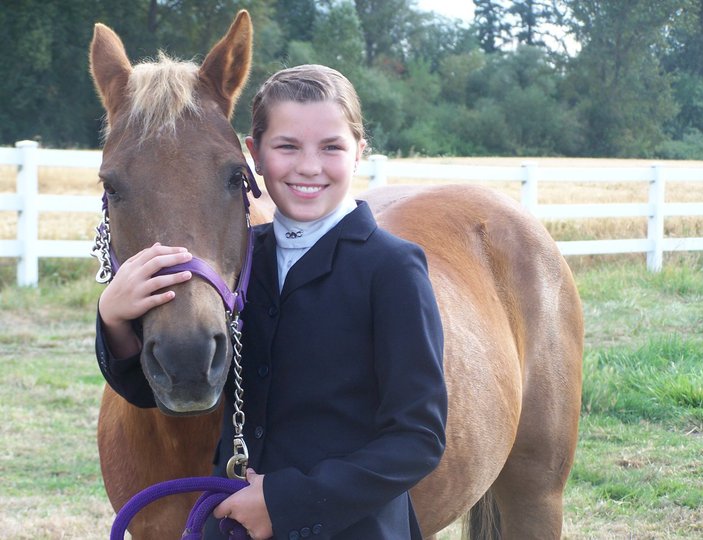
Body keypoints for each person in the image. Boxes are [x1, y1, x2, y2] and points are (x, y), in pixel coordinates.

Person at [96, 64, 447, 540]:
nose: (309, 167)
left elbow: (419, 439)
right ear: (255, 155)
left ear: (359, 152)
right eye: (287, 147)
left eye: (331, 147)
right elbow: (157, 391)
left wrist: (284, 504)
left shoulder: (392, 269)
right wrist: (114, 321)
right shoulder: (238, 265)